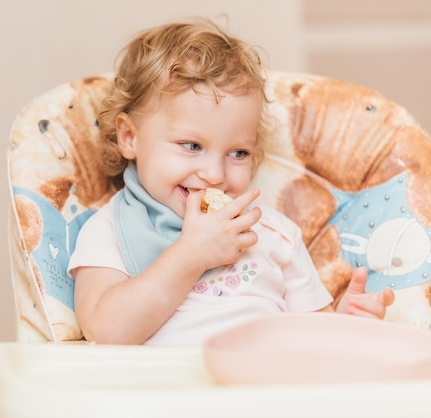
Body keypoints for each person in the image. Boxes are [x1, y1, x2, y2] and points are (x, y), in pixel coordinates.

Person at [67, 17, 395, 345]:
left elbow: (314, 343)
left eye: (237, 153)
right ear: (129, 137)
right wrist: (191, 254)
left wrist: (351, 327)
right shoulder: (109, 229)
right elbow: (105, 331)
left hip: (264, 386)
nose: (215, 175)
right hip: (166, 392)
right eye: (192, 146)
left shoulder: (273, 234)